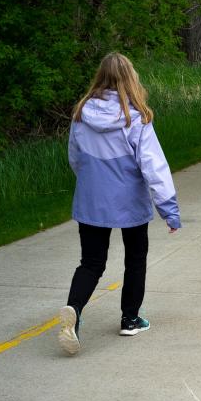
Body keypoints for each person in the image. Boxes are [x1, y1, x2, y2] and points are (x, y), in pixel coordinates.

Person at [57, 53, 181, 356]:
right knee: (135, 257)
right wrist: (169, 209)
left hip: (91, 199)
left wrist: (90, 183)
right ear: (130, 79)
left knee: (91, 262)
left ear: (100, 77)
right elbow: (154, 167)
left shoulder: (81, 113)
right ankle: (130, 319)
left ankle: (74, 309)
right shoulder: (136, 118)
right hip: (129, 201)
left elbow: (75, 158)